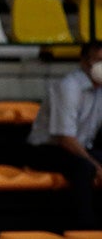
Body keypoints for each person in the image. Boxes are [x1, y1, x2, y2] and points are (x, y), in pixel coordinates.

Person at [27, 42, 102, 229]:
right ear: (85, 62)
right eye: (99, 60)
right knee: (84, 167)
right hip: (46, 149)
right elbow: (65, 138)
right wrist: (96, 165)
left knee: (89, 162)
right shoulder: (68, 87)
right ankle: (84, 227)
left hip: (81, 147)